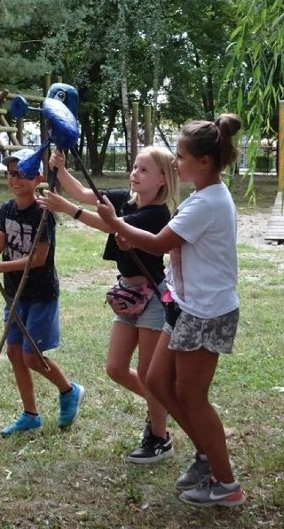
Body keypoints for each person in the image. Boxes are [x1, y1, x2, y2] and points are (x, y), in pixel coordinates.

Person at [97, 114, 245, 507]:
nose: (176, 164)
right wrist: (130, 234)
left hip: (206, 312)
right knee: (157, 380)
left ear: (204, 162)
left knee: (192, 396)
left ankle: (226, 484)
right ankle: (206, 454)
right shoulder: (202, 196)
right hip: (182, 304)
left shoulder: (208, 202)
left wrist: (118, 225)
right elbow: (172, 245)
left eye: (180, 157)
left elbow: (161, 243)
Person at [37, 146, 178, 464]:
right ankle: (164, 404)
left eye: (143, 170)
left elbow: (110, 224)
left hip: (153, 299)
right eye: (134, 167)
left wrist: (67, 209)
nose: (134, 173)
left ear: (162, 181)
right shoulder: (125, 199)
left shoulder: (158, 214)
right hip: (127, 297)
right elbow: (86, 193)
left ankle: (159, 437)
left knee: (146, 370)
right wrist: (61, 170)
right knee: (115, 368)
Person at [0, 148, 84, 437]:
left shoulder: (44, 214)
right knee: (15, 353)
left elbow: (38, 259)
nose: (15, 179)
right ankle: (30, 414)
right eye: (11, 174)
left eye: (22, 174)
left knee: (32, 356)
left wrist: (1, 269)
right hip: (14, 295)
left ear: (38, 178)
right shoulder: (6, 210)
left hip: (40, 294)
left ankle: (69, 390)